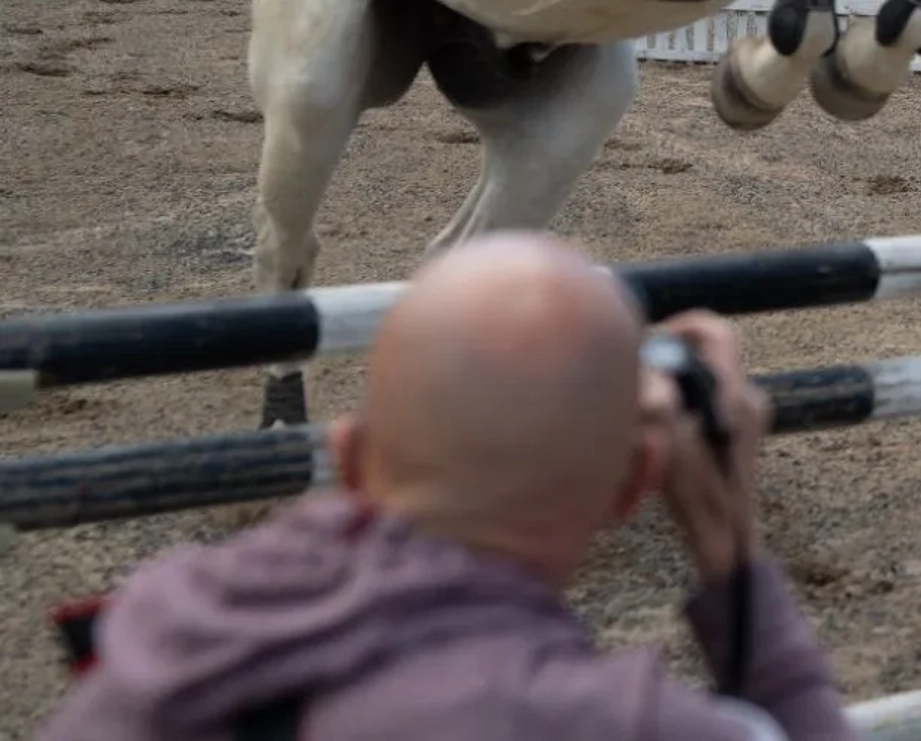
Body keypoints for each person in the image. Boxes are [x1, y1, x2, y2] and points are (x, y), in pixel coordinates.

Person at [35, 232, 859, 741]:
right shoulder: (610, 720)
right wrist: (732, 545)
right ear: (634, 484)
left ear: (350, 458)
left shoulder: (161, 630)